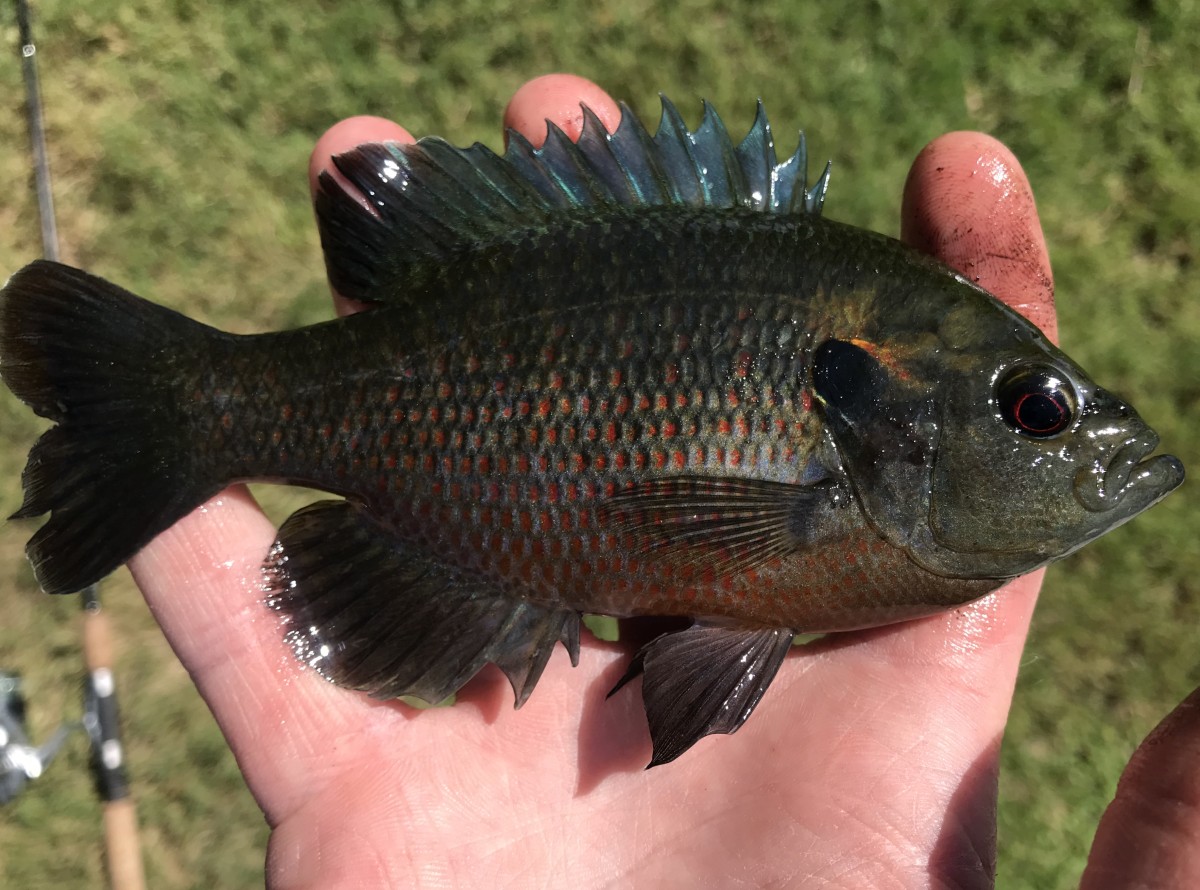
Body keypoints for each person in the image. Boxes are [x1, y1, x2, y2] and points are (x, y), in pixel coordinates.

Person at [125, 74, 1200, 887]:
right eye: (1036, 411)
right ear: (884, 406)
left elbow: (711, 572)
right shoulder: (850, 516)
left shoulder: (870, 526)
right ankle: (182, 404)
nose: (1088, 443)